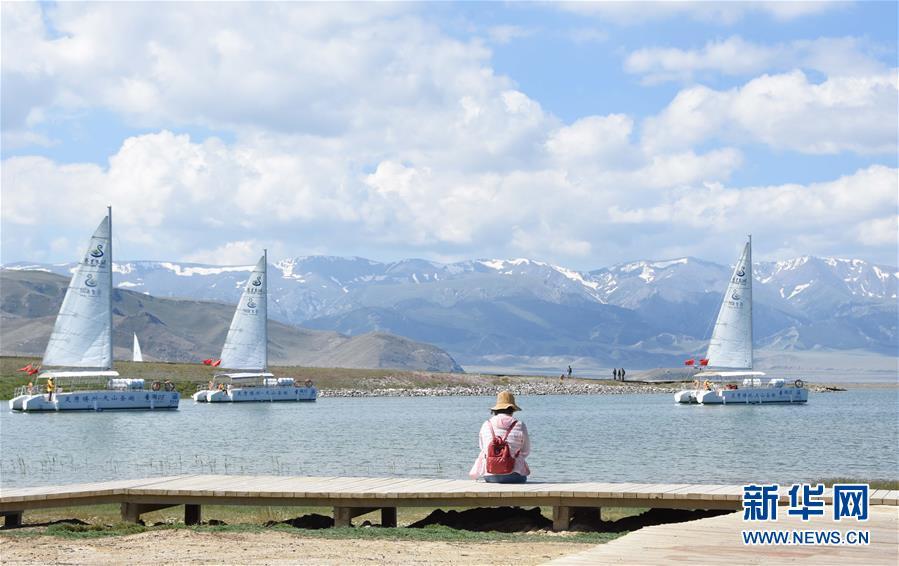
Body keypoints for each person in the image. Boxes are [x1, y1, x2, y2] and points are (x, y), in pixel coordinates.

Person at [469, 391, 530, 484]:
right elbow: (526, 451)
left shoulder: (486, 424)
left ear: (496, 410)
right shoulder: (520, 425)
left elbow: (483, 448)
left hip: (490, 475)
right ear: (512, 409)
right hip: (515, 476)